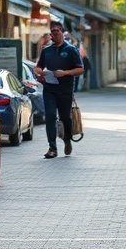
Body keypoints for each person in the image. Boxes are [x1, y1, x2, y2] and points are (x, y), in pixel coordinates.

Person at [34, 22, 83, 158]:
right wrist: (40, 74)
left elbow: (80, 69)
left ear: (62, 33)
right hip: (49, 89)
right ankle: (52, 148)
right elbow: (38, 67)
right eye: (52, 32)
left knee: (65, 118)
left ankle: (67, 140)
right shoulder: (46, 50)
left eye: (57, 31)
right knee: (50, 116)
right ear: (50, 35)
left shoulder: (71, 50)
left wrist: (65, 73)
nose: (55, 34)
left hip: (65, 90)